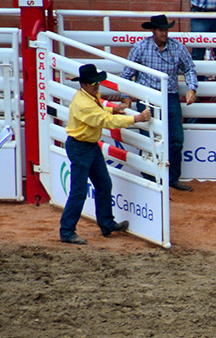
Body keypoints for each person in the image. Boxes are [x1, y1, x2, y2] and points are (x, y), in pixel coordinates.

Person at [59, 64, 152, 245]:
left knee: (103, 184)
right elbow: (105, 120)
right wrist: (136, 118)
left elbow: (101, 112)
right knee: (79, 191)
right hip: (82, 147)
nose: (97, 85)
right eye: (93, 82)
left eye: (97, 82)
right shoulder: (84, 103)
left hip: (86, 145)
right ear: (84, 84)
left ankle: (106, 223)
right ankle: (67, 231)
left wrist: (112, 109)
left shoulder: (87, 96)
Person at [121, 15, 198, 191]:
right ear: (153, 31)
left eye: (166, 29)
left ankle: (171, 178)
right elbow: (127, 74)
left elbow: (189, 68)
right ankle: (149, 177)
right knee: (149, 139)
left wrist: (192, 88)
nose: (164, 33)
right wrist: (125, 95)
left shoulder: (177, 48)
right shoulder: (140, 48)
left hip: (168, 96)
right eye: (161, 30)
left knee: (176, 139)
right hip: (147, 98)